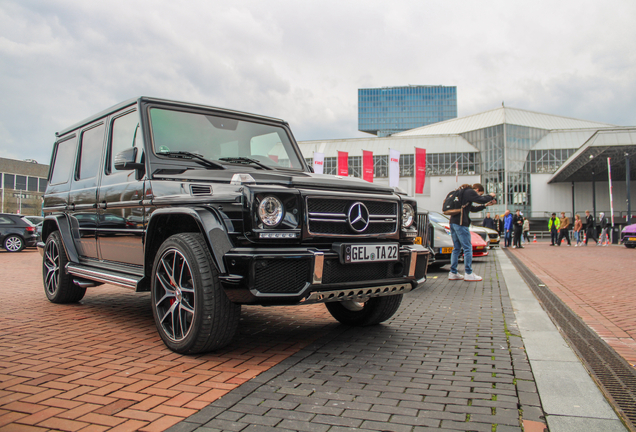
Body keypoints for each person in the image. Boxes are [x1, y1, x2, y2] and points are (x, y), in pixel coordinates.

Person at [448, 183, 496, 282]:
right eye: (480, 193)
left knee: (456, 248)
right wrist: (490, 196)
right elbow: (480, 199)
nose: (479, 196)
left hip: (453, 222)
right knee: (467, 247)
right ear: (477, 189)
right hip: (461, 223)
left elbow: (472, 209)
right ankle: (469, 273)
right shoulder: (469, 191)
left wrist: (485, 205)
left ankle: (453, 272)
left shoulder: (461, 193)